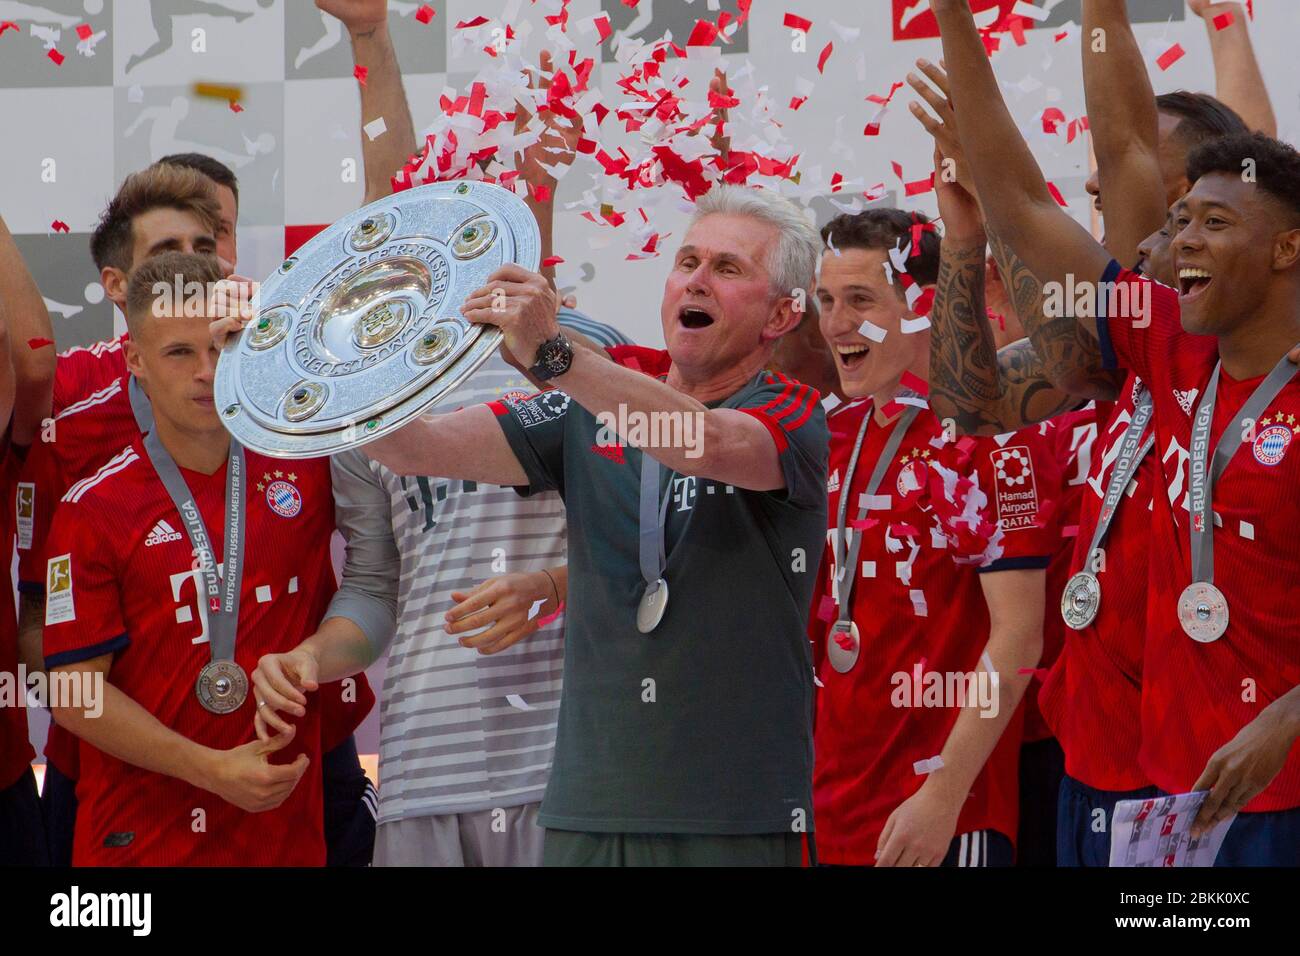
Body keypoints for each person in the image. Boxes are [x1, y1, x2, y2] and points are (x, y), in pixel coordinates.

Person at [254, 184, 829, 867]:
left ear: (783, 313)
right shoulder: (587, 408)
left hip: (732, 813)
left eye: (728, 269)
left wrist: (556, 354)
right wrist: (335, 358)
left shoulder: (792, 414)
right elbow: (417, 448)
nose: (695, 281)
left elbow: (697, 441)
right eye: (687, 261)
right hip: (585, 809)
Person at [932, 0, 1300, 865]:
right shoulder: (1171, 349)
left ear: (1287, 250)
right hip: (1165, 793)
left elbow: (1128, 148)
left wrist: (1285, 721)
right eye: (1179, 224)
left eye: (1209, 223)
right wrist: (954, 16)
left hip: (1279, 793)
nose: (1178, 244)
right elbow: (1024, 203)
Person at [38, 252, 378, 864]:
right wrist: (211, 771)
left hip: (284, 843)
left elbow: (379, 580)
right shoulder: (93, 508)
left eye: (222, 345)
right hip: (138, 848)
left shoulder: (308, 468)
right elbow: (74, 697)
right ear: (136, 361)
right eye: (178, 353)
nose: (206, 371)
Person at [809, 208, 1059, 866]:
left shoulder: (998, 438)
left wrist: (943, 795)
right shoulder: (836, 437)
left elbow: (1019, 635)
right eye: (825, 299)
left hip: (941, 816)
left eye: (859, 299)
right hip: (836, 804)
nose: (835, 324)